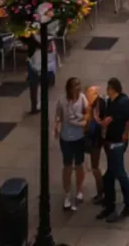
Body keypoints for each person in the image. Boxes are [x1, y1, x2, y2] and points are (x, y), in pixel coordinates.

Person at [97, 76, 129, 222]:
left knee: (120, 174)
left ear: (113, 88)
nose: (107, 90)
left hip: (117, 143)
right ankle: (109, 205)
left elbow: (127, 120)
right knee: (109, 176)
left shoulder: (123, 102)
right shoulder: (110, 102)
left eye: (108, 88)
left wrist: (125, 134)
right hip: (110, 142)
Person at [55, 76, 88, 210]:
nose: (78, 88)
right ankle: (67, 193)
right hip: (67, 138)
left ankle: (79, 189)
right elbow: (58, 116)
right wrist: (57, 127)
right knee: (67, 166)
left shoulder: (82, 98)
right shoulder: (62, 101)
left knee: (79, 164)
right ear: (69, 88)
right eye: (75, 86)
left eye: (79, 85)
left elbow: (87, 113)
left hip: (79, 137)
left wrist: (85, 122)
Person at [84, 84, 106, 204]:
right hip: (97, 140)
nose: (87, 97)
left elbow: (91, 126)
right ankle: (101, 192)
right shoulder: (97, 104)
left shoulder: (96, 108)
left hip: (96, 141)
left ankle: (100, 193)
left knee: (95, 167)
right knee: (94, 167)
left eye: (90, 94)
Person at [26, 36, 56, 114]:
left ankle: (35, 107)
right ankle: (36, 106)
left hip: (36, 69)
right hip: (38, 67)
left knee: (35, 88)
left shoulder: (37, 51)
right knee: (36, 87)